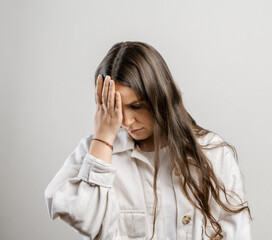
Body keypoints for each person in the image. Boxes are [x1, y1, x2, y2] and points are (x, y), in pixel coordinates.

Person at [44, 41, 252, 240]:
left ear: (161, 96)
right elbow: (85, 220)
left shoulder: (212, 153)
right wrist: (103, 138)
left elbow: (236, 233)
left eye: (136, 106)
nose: (126, 121)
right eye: (114, 107)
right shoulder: (95, 152)